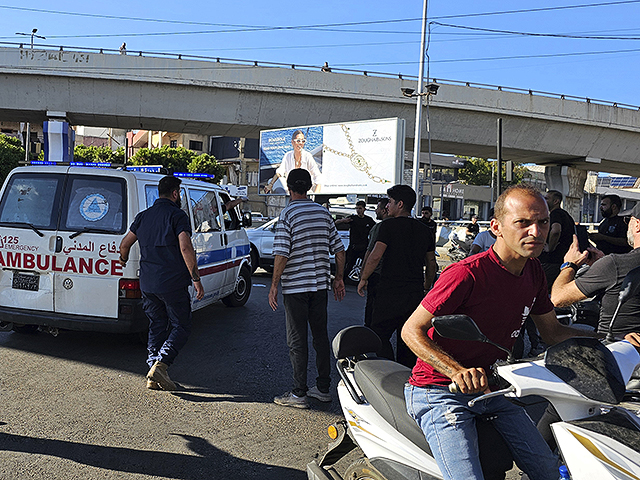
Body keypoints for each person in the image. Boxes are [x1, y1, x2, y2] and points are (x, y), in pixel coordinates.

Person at [401, 184, 603, 480]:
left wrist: (612, 341)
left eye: (543, 222)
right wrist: (457, 371)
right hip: (439, 390)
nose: (535, 231)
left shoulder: (532, 271)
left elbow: (553, 333)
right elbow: (410, 330)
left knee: (549, 471)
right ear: (496, 227)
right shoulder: (466, 273)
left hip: (490, 389)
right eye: (523, 222)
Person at [268, 168, 346, 409]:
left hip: (295, 289)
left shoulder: (288, 214)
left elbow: (282, 253)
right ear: (310, 187)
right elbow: (340, 250)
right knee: (320, 337)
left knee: (297, 340)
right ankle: (323, 388)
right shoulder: (323, 214)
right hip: (320, 287)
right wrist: (339, 278)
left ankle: (298, 393)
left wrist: (273, 285)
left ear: (289, 188)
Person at [119, 175, 204, 391]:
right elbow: (185, 247)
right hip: (172, 283)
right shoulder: (178, 216)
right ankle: (162, 364)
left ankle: (152, 372)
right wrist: (196, 279)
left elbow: (125, 244)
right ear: (175, 193)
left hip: (148, 283)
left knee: (156, 325)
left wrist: (123, 259)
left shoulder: (143, 216)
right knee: (181, 325)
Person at [357, 185, 436, 368]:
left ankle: (387, 369)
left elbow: (375, 255)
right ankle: (406, 374)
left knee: (379, 334)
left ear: (400, 204)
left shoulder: (387, 226)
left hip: (389, 291)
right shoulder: (425, 230)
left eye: (390, 202)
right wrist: (426, 285)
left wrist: (363, 278)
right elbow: (431, 263)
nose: (387, 207)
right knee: (407, 336)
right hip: (414, 292)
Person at [551, 203, 640, 337]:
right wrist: (602, 266)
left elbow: (558, 298)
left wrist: (570, 265)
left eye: (628, 221)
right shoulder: (612, 266)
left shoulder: (615, 264)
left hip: (619, 351)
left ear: (637, 225)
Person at [537, 189, 576, 289]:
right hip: (562, 259)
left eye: (547, 198)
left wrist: (550, 247)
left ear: (556, 201)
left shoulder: (555, 214)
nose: (544, 201)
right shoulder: (566, 215)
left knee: (543, 288)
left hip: (551, 260)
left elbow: (556, 231)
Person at [362, 198, 390, 327]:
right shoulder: (412, 227)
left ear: (385, 210)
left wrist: (364, 276)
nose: (376, 210)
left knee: (372, 308)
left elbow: (372, 254)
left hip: (378, 274)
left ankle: (370, 334)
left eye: (377, 208)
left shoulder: (380, 227)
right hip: (397, 277)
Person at [335, 200, 376, 282]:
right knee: (348, 265)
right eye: (357, 208)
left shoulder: (368, 220)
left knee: (365, 264)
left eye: (360, 208)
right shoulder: (353, 218)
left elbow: (375, 228)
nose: (358, 210)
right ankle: (341, 280)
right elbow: (336, 222)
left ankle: (364, 280)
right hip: (353, 246)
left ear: (364, 209)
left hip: (364, 246)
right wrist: (343, 221)